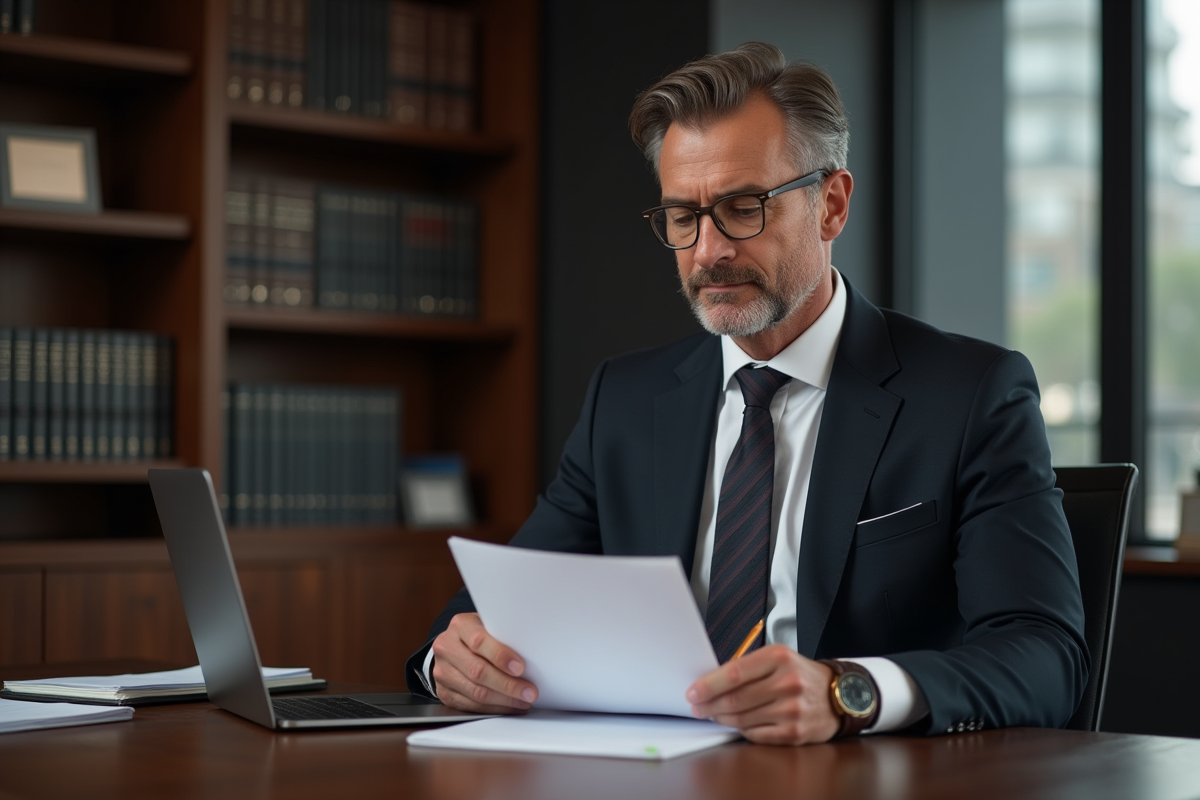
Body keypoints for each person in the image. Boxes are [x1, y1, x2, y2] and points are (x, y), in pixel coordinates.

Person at [405, 42, 1088, 746]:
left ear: (832, 204)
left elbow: (1045, 657)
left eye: (742, 207)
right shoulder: (627, 401)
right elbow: (498, 612)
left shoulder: (971, 395)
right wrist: (447, 661)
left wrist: (849, 690)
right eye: (683, 216)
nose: (708, 252)